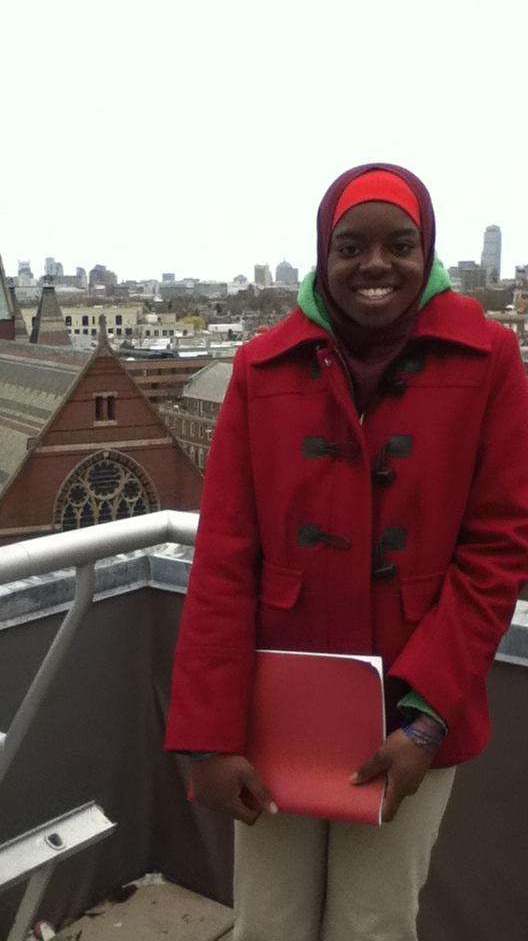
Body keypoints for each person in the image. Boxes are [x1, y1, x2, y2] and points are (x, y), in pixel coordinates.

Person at [165, 163, 528, 941]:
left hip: (412, 708)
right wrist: (208, 736)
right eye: (349, 246)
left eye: (400, 245)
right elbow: (225, 559)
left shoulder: (489, 360)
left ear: (426, 252)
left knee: (374, 925)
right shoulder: (261, 371)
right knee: (270, 923)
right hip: (277, 710)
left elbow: (498, 548)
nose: (375, 265)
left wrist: (427, 721)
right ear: (322, 258)